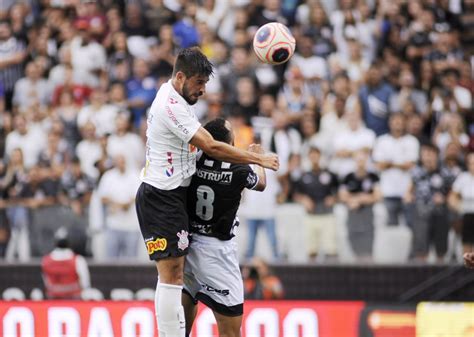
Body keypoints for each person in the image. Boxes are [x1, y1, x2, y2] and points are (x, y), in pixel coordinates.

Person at [135, 47, 278, 337]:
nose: (202, 90)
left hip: (174, 199)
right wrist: (258, 158)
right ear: (180, 77)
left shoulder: (171, 94)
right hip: (162, 197)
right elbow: (211, 146)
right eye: (199, 83)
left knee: (182, 284)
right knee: (172, 275)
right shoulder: (171, 106)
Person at [182, 118, 266, 337]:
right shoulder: (239, 168)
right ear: (227, 142)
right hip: (217, 251)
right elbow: (261, 184)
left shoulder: (193, 159)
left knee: (186, 303)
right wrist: (258, 159)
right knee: (231, 329)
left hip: (188, 245)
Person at [41, 227, 91, 300]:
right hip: (73, 299)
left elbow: (46, 283)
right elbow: (85, 284)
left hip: (54, 299)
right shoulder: (78, 260)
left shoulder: (45, 261)